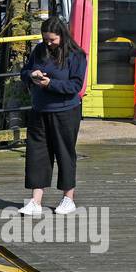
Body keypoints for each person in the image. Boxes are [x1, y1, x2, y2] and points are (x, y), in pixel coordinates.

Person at [18, 15, 87, 218]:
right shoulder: (39, 50)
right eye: (45, 39)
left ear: (62, 36)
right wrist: (31, 75)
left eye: (52, 40)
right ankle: (35, 201)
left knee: (64, 153)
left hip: (65, 111)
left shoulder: (76, 55)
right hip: (40, 110)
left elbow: (75, 85)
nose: (48, 43)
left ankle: (68, 198)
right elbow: (24, 71)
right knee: (37, 154)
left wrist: (51, 84)